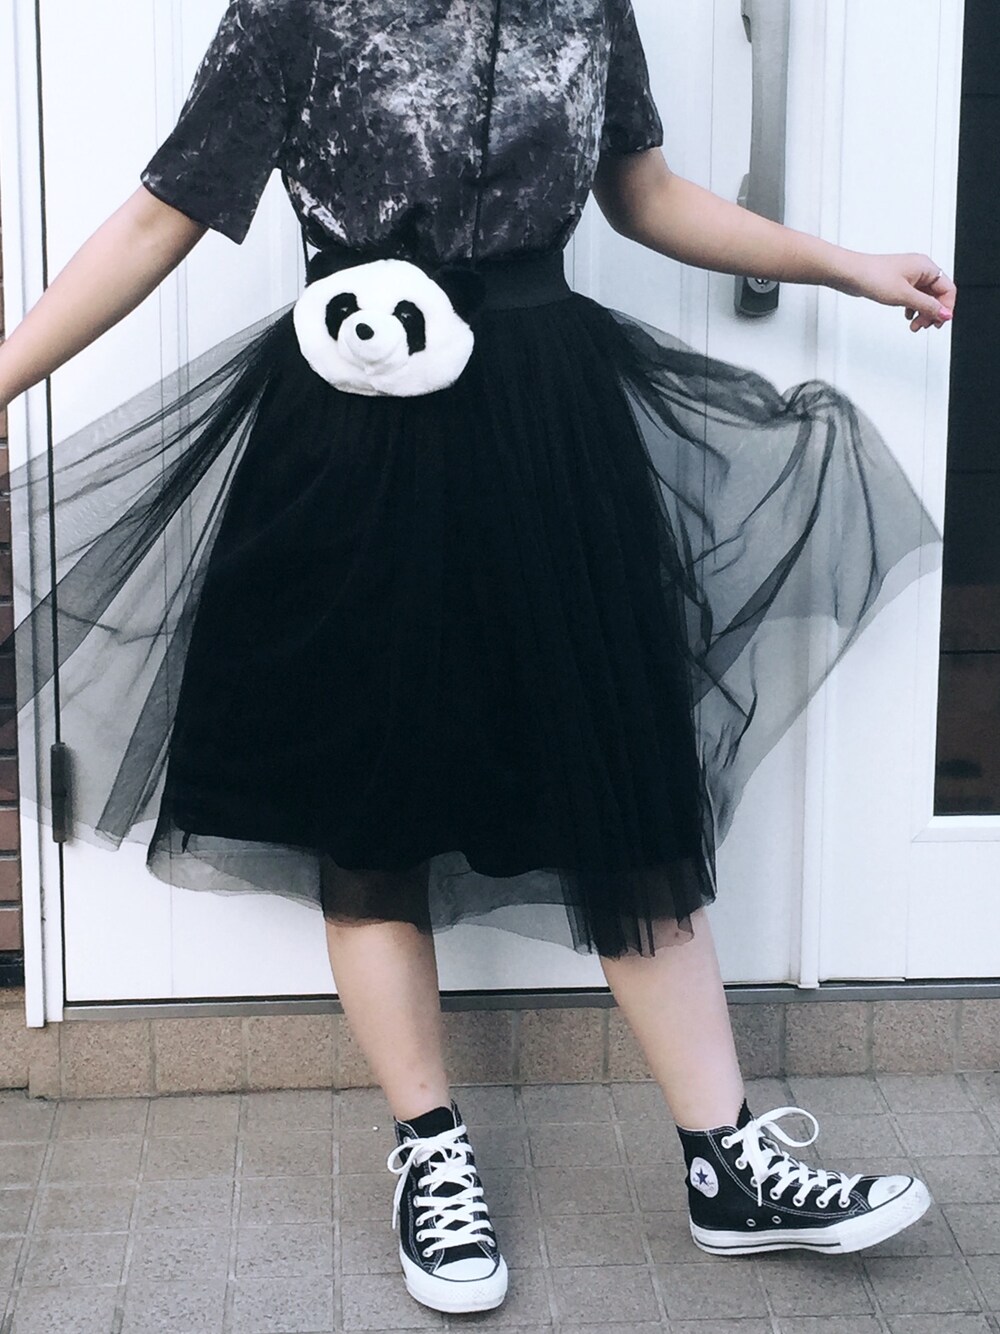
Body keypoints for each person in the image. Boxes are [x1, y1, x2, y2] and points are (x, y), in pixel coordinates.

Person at [0, 0, 954, 1317]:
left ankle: (727, 1162)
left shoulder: (586, 6)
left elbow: (645, 195)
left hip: (547, 432)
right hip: (355, 436)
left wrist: (843, 265)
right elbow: (161, 216)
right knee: (369, 798)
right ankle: (431, 1149)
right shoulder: (293, 11)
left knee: (620, 784)